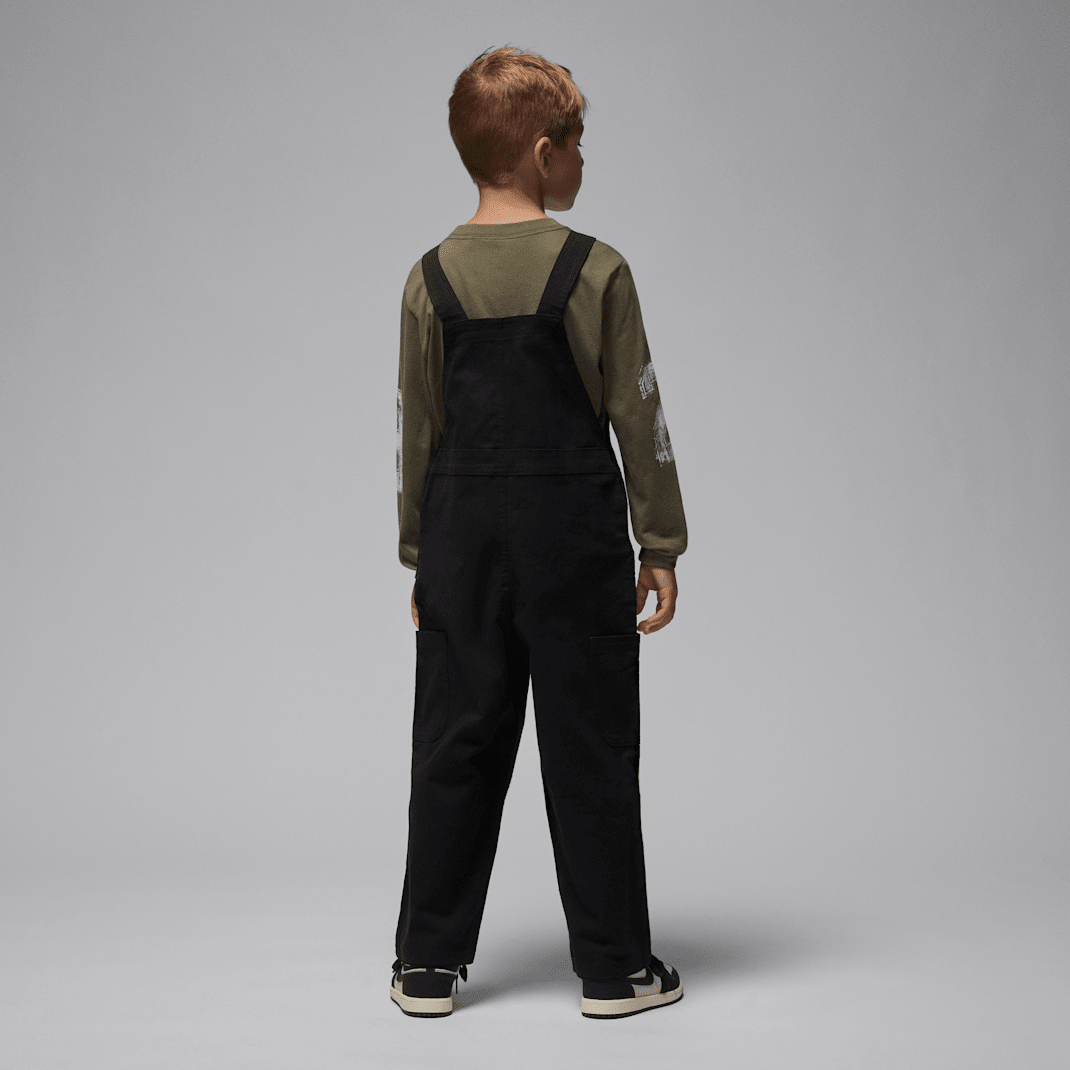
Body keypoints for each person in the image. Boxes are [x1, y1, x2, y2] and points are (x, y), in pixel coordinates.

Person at [391, 44, 687, 1020]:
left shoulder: (427, 279)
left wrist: (420, 554)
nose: (582, 160)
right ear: (541, 152)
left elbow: (420, 427)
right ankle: (614, 969)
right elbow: (638, 413)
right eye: (576, 143)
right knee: (589, 741)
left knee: (455, 741)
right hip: (574, 541)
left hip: (463, 540)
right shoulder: (597, 270)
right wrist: (659, 541)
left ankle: (425, 964)